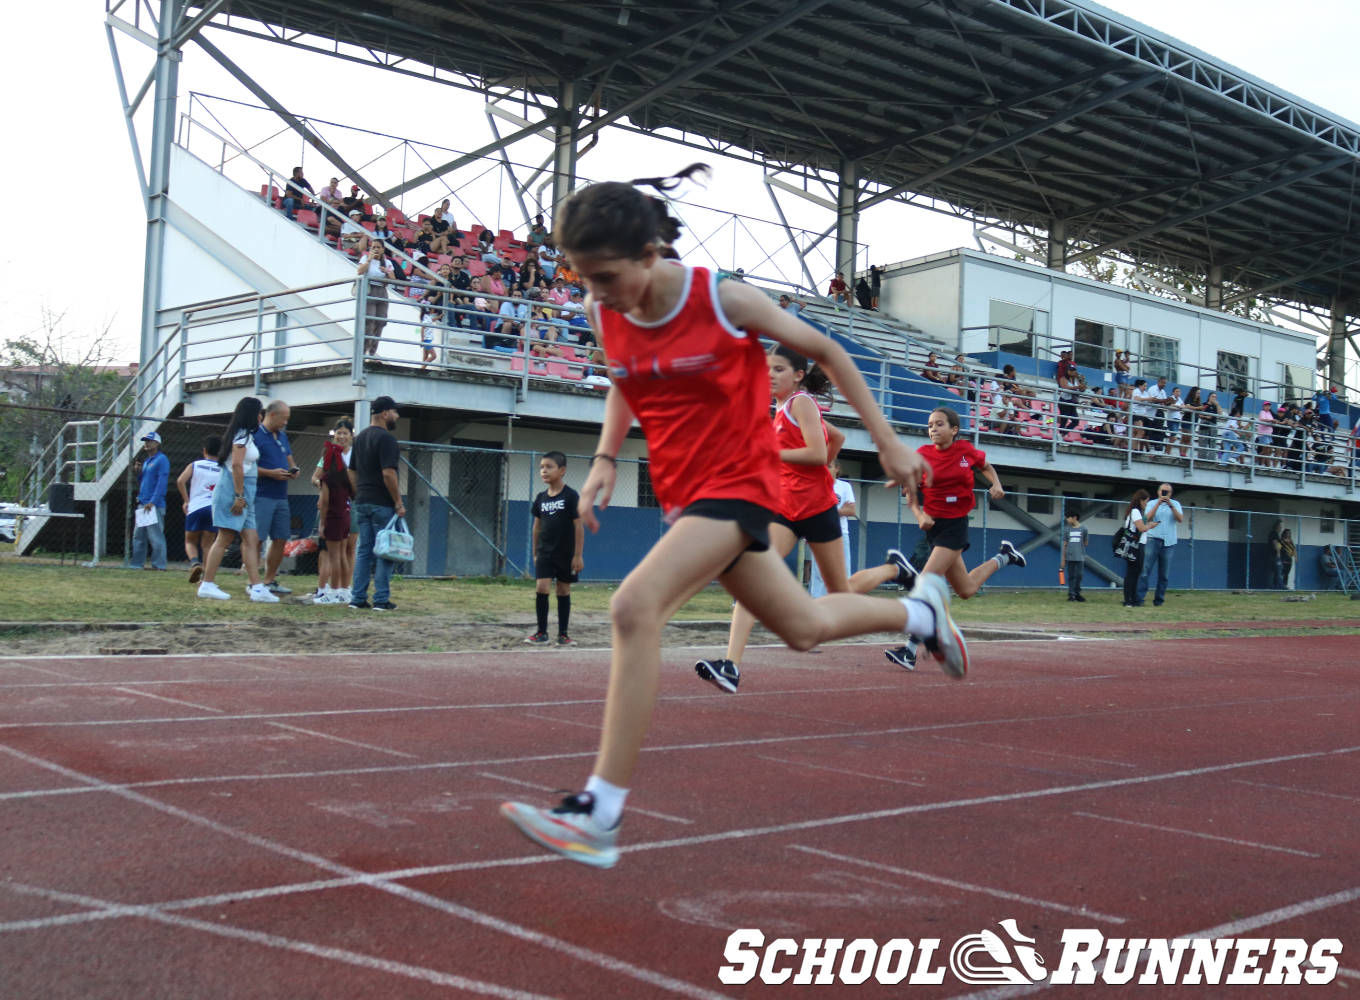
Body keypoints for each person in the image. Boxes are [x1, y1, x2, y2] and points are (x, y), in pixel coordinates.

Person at [500, 165, 965, 870]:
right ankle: (922, 614)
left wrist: (892, 440)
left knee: (634, 607)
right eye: (583, 280)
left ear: (651, 255)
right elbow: (626, 378)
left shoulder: (722, 300)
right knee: (805, 628)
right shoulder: (605, 310)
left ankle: (600, 809)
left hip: (745, 485)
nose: (595, 296)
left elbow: (827, 351)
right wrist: (602, 458)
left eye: (606, 277)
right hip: (687, 494)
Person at [695, 346, 918, 692]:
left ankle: (894, 569)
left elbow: (816, 452)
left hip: (816, 510)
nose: (769, 375)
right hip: (784, 510)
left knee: (839, 593)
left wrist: (807, 467)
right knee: (751, 577)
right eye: (767, 369)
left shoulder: (802, 403)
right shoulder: (781, 409)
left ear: (798, 375)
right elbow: (837, 438)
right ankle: (731, 666)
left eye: (779, 369)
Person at [197, 397, 278, 603]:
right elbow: (236, 465)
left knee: (251, 539)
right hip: (234, 490)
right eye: (260, 412)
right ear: (253, 414)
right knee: (224, 537)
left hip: (246, 490)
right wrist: (239, 495)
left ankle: (257, 587)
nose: (262, 416)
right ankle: (207, 584)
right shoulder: (241, 435)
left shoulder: (246, 435)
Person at [349, 396, 405, 611]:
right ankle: (381, 600)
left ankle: (357, 598)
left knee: (364, 551)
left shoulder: (360, 438)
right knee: (386, 551)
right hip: (382, 503)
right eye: (394, 412)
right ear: (384, 413)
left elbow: (351, 470)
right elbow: (388, 473)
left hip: (362, 501)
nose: (396, 416)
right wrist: (398, 502)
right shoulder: (387, 439)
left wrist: (358, 493)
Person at [525, 451, 585, 645]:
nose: (544, 471)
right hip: (545, 553)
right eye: (542, 467)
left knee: (563, 590)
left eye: (549, 467)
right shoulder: (541, 498)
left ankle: (563, 635)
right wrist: (535, 552)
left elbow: (578, 526)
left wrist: (577, 555)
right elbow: (537, 527)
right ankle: (541, 633)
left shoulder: (571, 496)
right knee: (542, 587)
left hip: (566, 554)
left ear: (562, 470)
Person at [253, 400, 299, 596]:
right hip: (261, 495)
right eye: (284, 418)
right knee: (257, 539)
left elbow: (290, 460)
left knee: (281, 538)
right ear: (272, 415)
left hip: (281, 496)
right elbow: (245, 467)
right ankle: (253, 582)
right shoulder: (255, 436)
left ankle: (269, 580)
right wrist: (269, 473)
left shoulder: (282, 437)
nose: (285, 423)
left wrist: (293, 471)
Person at [310, 417, 356, 604]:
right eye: (339, 433)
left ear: (351, 435)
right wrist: (325, 488)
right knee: (329, 551)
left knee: (345, 550)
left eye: (346, 433)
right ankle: (325, 588)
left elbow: (354, 485)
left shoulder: (354, 456)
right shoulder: (328, 457)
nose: (342, 436)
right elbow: (316, 478)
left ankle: (342, 589)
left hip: (344, 509)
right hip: (336, 507)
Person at [176, 434, 221, 584]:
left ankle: (195, 563)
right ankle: (207, 579)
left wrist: (186, 501)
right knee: (208, 545)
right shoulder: (224, 468)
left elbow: (180, 481)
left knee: (190, 541)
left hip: (195, 507)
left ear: (204, 451)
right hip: (213, 509)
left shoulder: (195, 465)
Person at [809, 459, 856, 598]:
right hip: (819, 534)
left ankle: (842, 604)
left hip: (841, 534)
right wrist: (839, 510)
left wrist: (827, 511)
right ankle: (817, 604)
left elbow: (851, 511)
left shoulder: (845, 486)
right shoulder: (816, 485)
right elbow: (813, 511)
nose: (826, 469)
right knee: (819, 574)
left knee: (843, 572)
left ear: (837, 468)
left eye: (829, 466)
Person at [1135, 482, 1184, 607]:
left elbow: (1180, 519)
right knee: (1145, 571)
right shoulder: (1151, 503)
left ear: (1171, 493)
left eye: (1167, 492)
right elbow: (1147, 518)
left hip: (1169, 542)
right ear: (1158, 492)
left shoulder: (1176, 504)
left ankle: (1159, 600)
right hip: (1153, 539)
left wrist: (1170, 504)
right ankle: (1139, 599)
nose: (1165, 494)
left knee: (1164, 574)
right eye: (1163, 491)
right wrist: (1158, 503)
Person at [129, 431, 170, 570]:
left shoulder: (162, 459)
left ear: (157, 443)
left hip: (153, 505)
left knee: (155, 536)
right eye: (145, 441)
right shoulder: (147, 461)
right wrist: (139, 472)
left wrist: (153, 501)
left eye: (150, 441)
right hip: (143, 503)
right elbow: (144, 481)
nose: (146, 443)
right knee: (138, 535)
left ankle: (159, 565)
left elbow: (162, 482)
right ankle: (136, 564)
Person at [357, 242, 395, 355]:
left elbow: (393, 279)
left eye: (378, 247)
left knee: (381, 322)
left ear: (383, 249)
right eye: (373, 247)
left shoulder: (387, 262)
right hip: (370, 290)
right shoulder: (365, 258)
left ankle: (372, 352)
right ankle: (363, 352)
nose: (376, 249)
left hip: (382, 291)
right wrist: (369, 260)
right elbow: (359, 271)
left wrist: (386, 272)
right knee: (369, 321)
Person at [1119, 489, 1151, 608]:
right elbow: (1141, 527)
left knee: (1135, 572)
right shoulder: (1135, 512)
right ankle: (1129, 600)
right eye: (1146, 501)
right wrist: (1149, 525)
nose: (1146, 504)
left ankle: (1132, 598)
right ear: (1140, 500)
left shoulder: (1135, 512)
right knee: (1132, 573)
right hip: (1135, 545)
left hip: (1136, 544)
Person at [1062, 507, 1088, 602]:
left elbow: (1086, 542)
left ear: (1074, 518)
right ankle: (1071, 594)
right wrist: (1063, 559)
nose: (1067, 519)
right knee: (1071, 575)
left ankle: (1077, 593)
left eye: (1068, 517)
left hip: (1080, 556)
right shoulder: (1066, 529)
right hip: (1070, 556)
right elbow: (1064, 544)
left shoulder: (1084, 529)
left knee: (1079, 575)